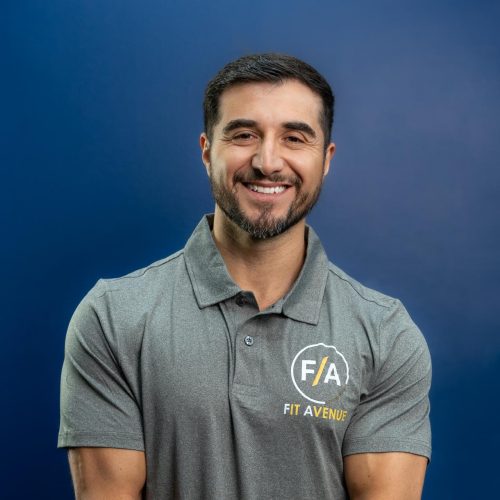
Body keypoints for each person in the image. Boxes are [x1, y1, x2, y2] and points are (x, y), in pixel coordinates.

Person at [58, 53, 432, 499]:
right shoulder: (113, 318)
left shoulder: (385, 335)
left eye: (294, 138)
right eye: (243, 135)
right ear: (206, 151)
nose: (268, 161)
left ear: (326, 158)